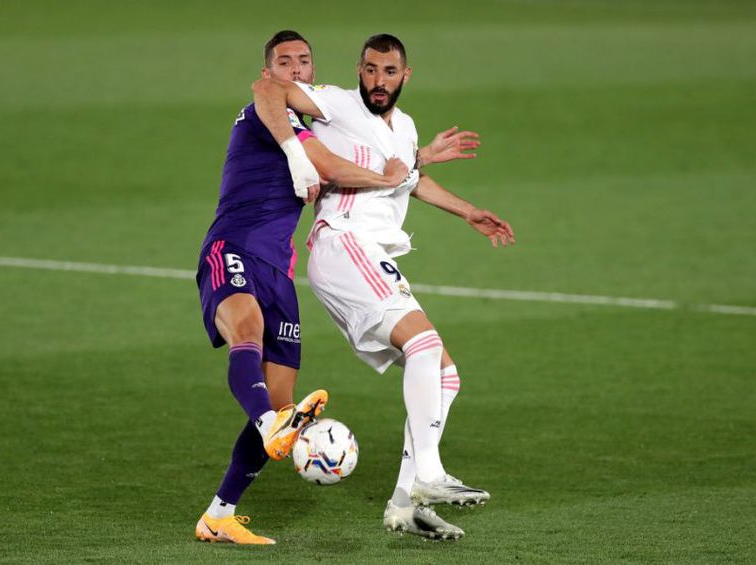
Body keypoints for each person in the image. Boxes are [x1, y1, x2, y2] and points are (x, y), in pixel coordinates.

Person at [252, 33, 515, 540]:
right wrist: (296, 152)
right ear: (359, 68)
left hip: (369, 253)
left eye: (388, 72)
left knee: (444, 376)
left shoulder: (406, 127)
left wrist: (467, 211)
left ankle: (404, 504)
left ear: (405, 76)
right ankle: (429, 474)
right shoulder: (336, 103)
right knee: (423, 344)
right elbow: (268, 90)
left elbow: (407, 177)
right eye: (370, 70)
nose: (377, 81)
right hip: (344, 243)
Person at [193, 30, 412, 545]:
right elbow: (332, 167)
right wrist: (386, 179)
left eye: (304, 61)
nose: (295, 68)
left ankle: (219, 514)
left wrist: (420, 160)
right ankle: (269, 423)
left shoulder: (307, 124)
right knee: (246, 328)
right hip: (234, 247)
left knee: (283, 400)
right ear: (270, 71)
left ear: (313, 72)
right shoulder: (266, 114)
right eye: (284, 61)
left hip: (280, 270)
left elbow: (354, 157)